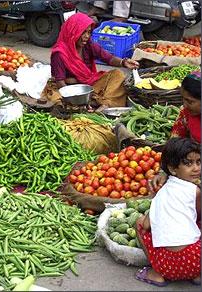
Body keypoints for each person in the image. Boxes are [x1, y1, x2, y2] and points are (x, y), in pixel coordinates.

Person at [135, 137, 201, 287]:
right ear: (172, 168)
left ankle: (156, 273)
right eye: (188, 163)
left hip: (167, 265)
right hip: (197, 259)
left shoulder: (161, 192)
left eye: (198, 162)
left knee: (138, 223)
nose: (196, 168)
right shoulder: (196, 191)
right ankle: (197, 276)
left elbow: (145, 225)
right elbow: (198, 215)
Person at [47, 12, 139, 108]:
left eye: (89, 32)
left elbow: (108, 58)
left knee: (118, 75)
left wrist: (123, 62)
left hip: (89, 84)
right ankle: (92, 102)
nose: (87, 36)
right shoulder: (59, 54)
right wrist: (76, 93)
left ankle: (103, 103)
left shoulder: (88, 45)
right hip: (70, 88)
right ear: (72, 31)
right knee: (56, 98)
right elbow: (60, 82)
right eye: (83, 32)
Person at [148, 71, 201, 195]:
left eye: (190, 101)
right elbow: (174, 143)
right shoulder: (186, 114)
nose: (184, 105)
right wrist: (164, 171)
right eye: (183, 99)